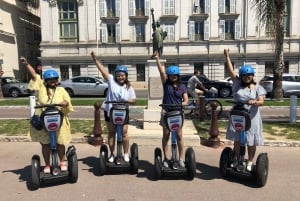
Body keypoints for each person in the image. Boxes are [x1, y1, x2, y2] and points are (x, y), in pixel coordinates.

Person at [20, 56, 73, 174]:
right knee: (45, 144)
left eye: (54, 80)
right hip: (43, 120)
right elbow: (35, 76)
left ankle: (62, 162)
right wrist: (26, 64)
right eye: (50, 80)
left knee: (60, 142)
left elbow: (67, 102)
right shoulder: (41, 87)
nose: (52, 82)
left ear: (57, 80)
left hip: (58, 120)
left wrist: (65, 103)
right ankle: (47, 164)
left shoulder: (61, 90)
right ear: (46, 81)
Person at [224, 49, 266, 171]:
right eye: (244, 76)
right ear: (241, 77)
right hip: (238, 115)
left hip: (252, 117)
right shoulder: (237, 84)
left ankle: (250, 161)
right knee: (237, 139)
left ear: (252, 76)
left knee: (251, 141)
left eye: (249, 75)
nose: (246, 77)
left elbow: (261, 101)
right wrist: (227, 56)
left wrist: (255, 102)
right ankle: (237, 159)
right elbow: (231, 71)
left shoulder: (258, 88)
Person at [91, 51, 136, 163]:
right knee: (112, 132)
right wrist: (95, 60)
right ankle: (112, 154)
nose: (120, 77)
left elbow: (134, 100)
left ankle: (125, 154)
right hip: (110, 111)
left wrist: (126, 100)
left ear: (126, 76)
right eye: (119, 75)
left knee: (124, 133)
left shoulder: (129, 87)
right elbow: (103, 70)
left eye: (122, 75)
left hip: (123, 112)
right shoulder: (111, 80)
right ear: (116, 75)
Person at [154, 52, 189, 168]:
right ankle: (166, 158)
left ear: (178, 76)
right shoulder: (166, 84)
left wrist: (182, 104)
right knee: (166, 135)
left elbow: (186, 100)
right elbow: (161, 72)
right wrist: (157, 59)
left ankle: (181, 158)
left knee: (179, 135)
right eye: (171, 76)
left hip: (178, 112)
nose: (173, 77)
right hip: (166, 112)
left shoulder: (182, 86)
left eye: (175, 76)